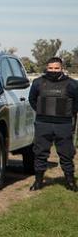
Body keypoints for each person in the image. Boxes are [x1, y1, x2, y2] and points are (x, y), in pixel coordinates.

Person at [28, 57, 78, 191]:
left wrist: (66, 115)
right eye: (50, 68)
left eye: (56, 68)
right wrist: (43, 113)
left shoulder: (72, 84)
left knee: (66, 154)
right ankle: (38, 182)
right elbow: (32, 100)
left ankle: (70, 182)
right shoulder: (38, 83)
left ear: (62, 68)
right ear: (47, 68)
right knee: (40, 153)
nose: (53, 71)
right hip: (43, 124)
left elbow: (76, 104)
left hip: (64, 125)